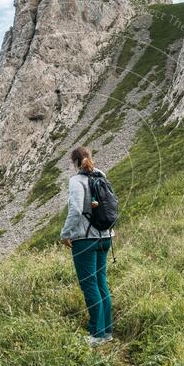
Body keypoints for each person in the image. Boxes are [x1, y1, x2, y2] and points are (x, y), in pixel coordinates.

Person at [60, 146, 114, 347]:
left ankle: (96, 334)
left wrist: (65, 234)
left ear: (74, 163)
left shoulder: (76, 181)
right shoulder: (101, 175)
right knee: (101, 282)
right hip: (105, 236)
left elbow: (75, 210)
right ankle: (107, 331)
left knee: (90, 285)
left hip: (85, 239)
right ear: (89, 158)